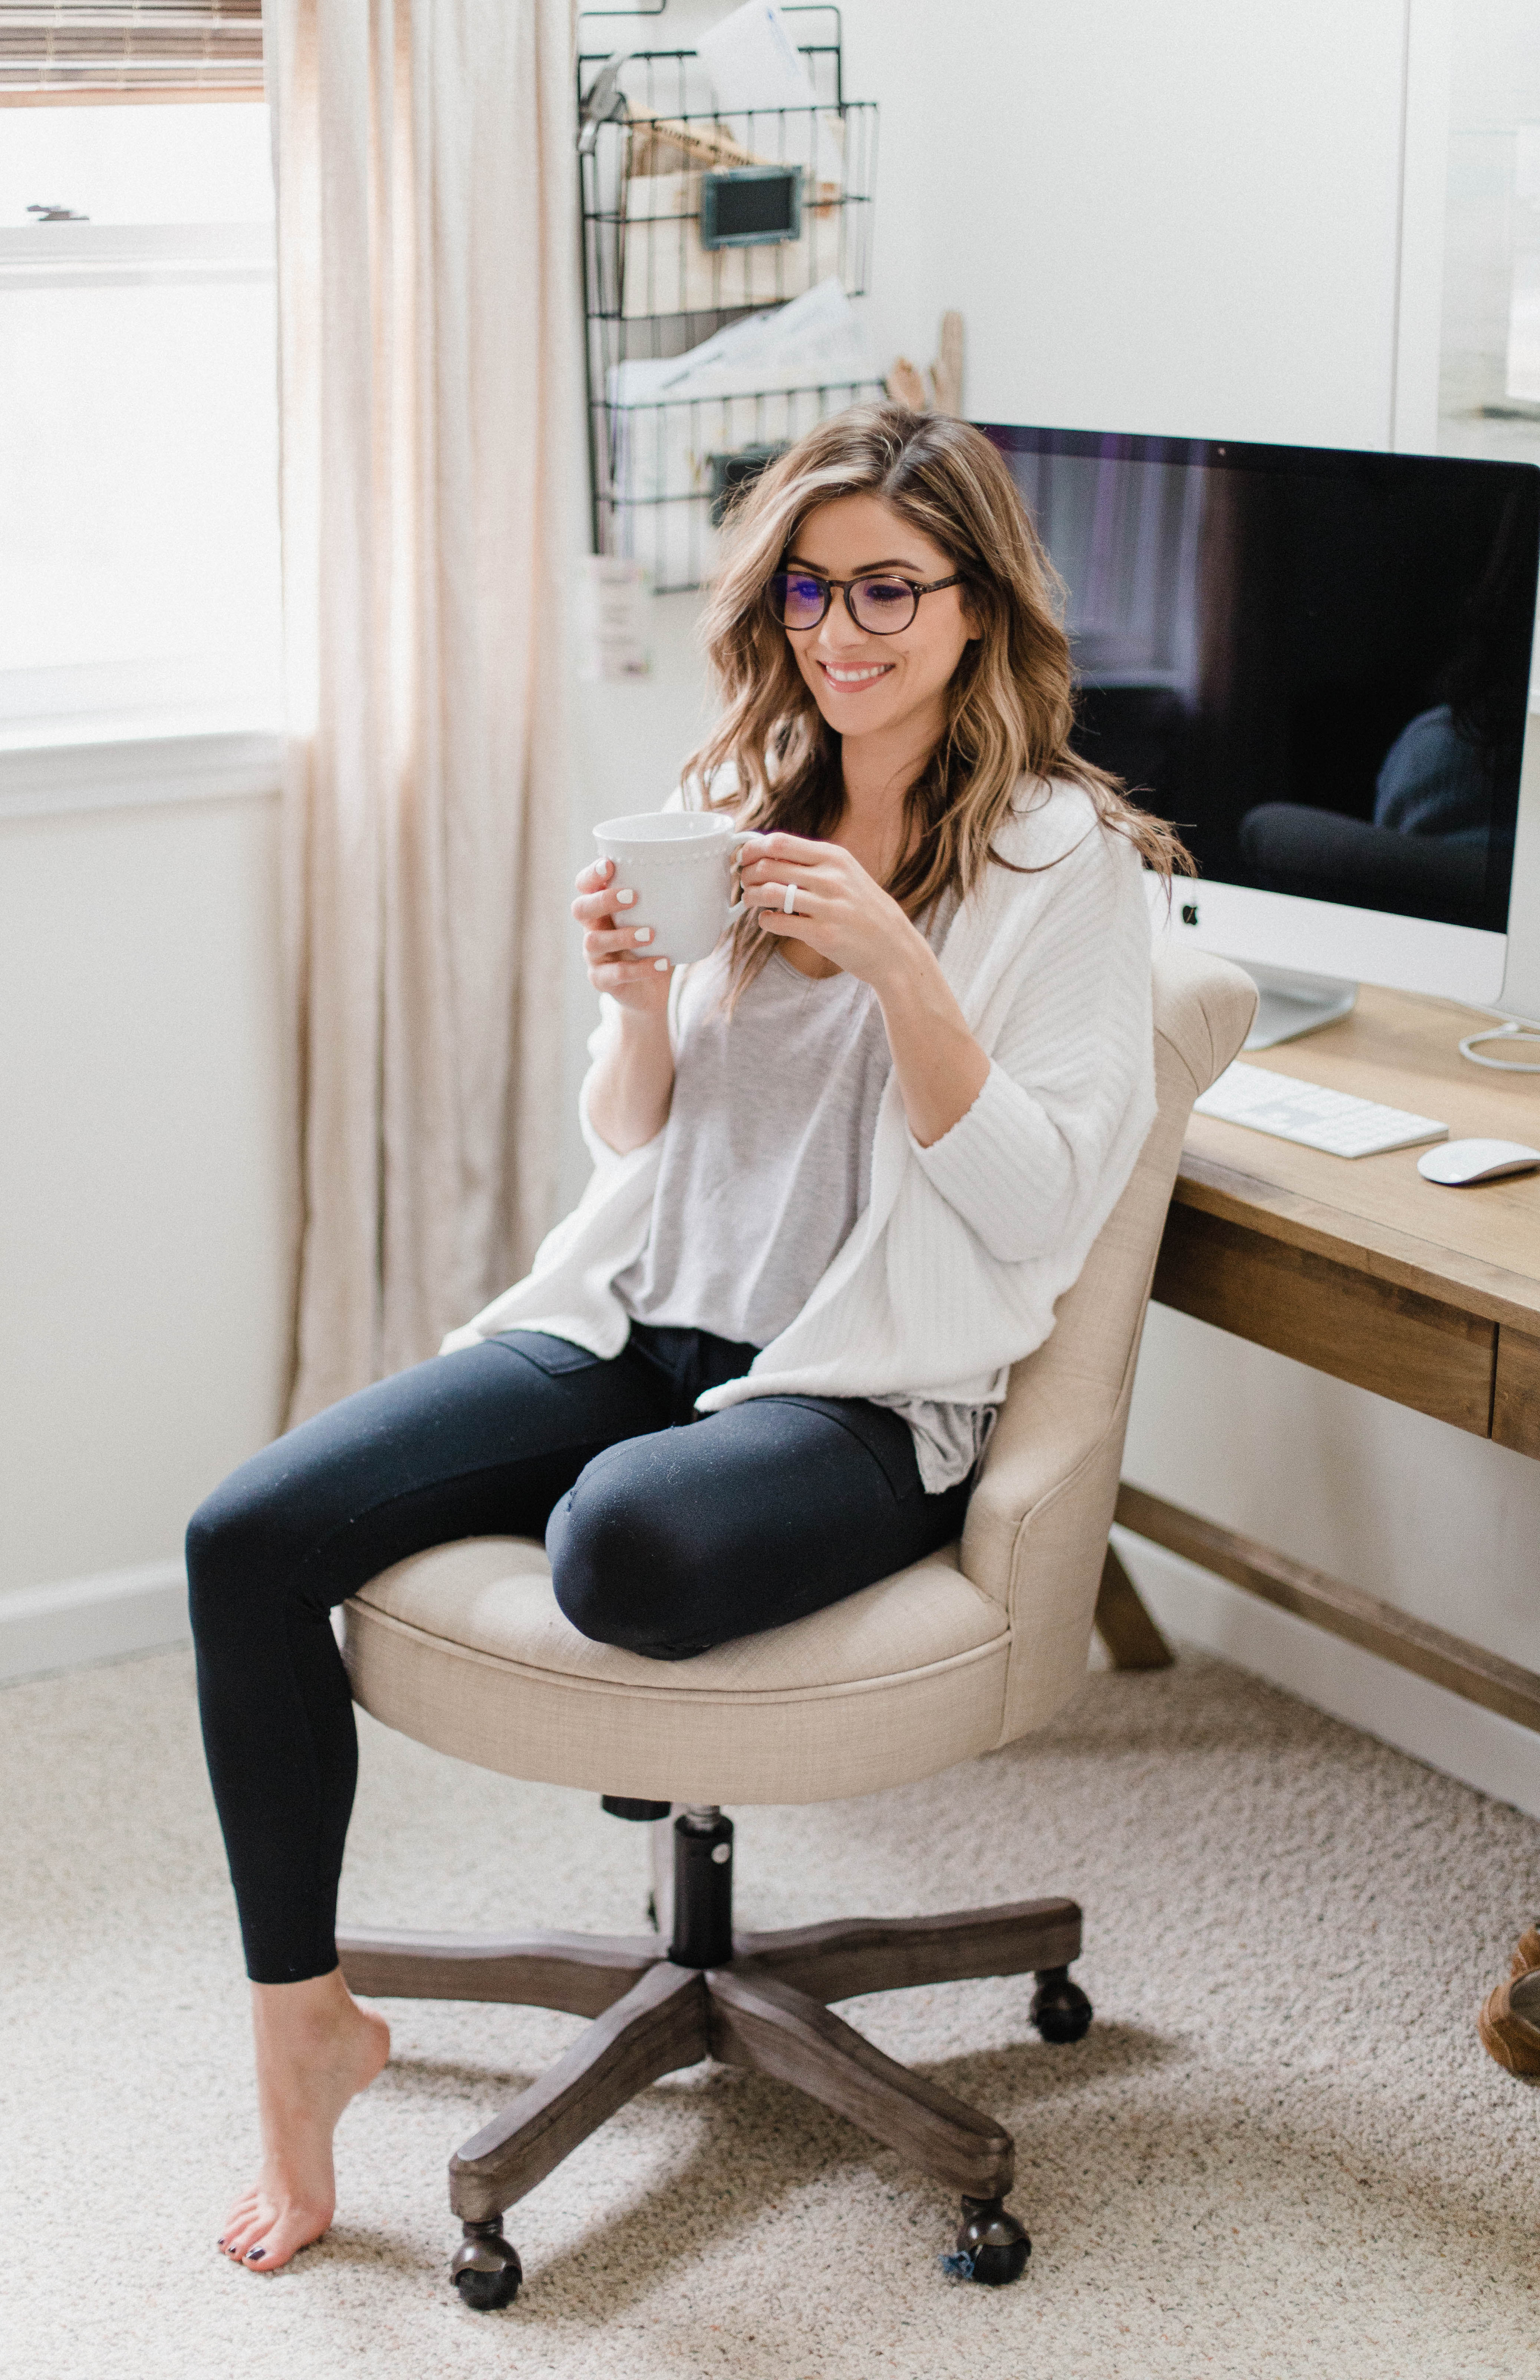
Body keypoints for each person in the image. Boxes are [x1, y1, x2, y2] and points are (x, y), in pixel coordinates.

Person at [187, 403, 1189, 2272]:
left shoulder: (1071, 871)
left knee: (623, 1546)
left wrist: (898, 958)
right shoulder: (747, 785)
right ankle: (302, 2026)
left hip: (856, 1386)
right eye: (810, 589)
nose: (842, 629)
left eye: (889, 587)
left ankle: (657, 1544)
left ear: (977, 607)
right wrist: (637, 1002)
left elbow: (1042, 1205)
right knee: (245, 1539)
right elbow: (636, 1137)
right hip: (637, 1324)